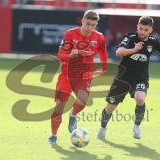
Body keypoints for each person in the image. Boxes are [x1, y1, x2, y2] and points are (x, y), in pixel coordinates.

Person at [97, 16, 160, 140]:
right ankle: (103, 127)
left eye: (146, 30)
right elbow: (118, 52)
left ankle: (137, 126)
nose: (142, 32)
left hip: (140, 78)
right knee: (110, 107)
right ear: (137, 26)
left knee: (140, 98)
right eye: (141, 28)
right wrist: (133, 49)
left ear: (151, 30)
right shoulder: (130, 38)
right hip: (122, 78)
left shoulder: (153, 41)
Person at [48, 10, 108, 144]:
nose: (90, 28)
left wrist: (104, 68)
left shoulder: (99, 37)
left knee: (82, 101)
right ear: (82, 21)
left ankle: (73, 115)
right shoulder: (70, 34)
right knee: (59, 107)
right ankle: (53, 135)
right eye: (88, 24)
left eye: (93, 25)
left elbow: (103, 52)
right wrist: (72, 54)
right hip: (67, 75)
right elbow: (60, 56)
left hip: (84, 75)